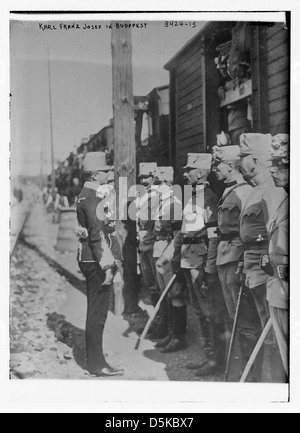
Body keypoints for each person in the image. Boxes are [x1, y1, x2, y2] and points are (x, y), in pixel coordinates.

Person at [172, 153, 228, 377]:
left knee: (208, 310)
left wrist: (208, 267)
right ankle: (208, 354)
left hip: (201, 256)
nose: (185, 174)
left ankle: (216, 359)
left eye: (189, 170)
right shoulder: (193, 196)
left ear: (202, 173)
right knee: (198, 308)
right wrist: (178, 256)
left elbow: (214, 236)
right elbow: (185, 230)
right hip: (189, 255)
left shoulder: (210, 198)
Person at [239, 133, 287, 382]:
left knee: (272, 333)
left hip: (268, 271)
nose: (239, 163)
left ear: (255, 160)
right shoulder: (256, 189)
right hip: (255, 267)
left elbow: (276, 237)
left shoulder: (273, 190)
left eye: (243, 157)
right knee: (262, 328)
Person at [212, 144, 260, 380]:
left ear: (230, 166)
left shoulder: (244, 192)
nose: (214, 170)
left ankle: (252, 374)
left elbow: (249, 230)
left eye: (217, 165)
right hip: (225, 256)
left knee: (245, 318)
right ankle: (243, 369)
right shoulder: (228, 190)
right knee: (234, 317)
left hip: (236, 257)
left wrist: (243, 260)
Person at [76, 152, 124, 378]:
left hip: (88, 256)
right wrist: (107, 266)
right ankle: (96, 364)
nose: (109, 173)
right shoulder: (94, 197)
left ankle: (96, 360)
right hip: (97, 259)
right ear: (95, 175)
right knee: (97, 313)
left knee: (95, 311)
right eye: (105, 171)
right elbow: (97, 235)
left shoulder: (85, 194)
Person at [262, 134, 289, 377]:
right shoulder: (284, 200)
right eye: (273, 164)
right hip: (278, 288)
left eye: (281, 165)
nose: (273, 170)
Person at [153, 167, 187, 351]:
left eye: (160, 183)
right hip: (159, 249)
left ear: (169, 184)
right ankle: (171, 333)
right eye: (156, 183)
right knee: (166, 294)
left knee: (175, 294)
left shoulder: (175, 204)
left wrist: (169, 256)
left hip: (169, 252)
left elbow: (177, 235)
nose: (156, 187)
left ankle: (179, 336)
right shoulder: (163, 203)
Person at [136, 162, 161, 336]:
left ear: (154, 177)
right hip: (142, 243)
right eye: (142, 177)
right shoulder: (141, 196)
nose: (144, 180)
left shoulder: (158, 195)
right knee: (151, 285)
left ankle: (162, 323)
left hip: (152, 243)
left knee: (158, 285)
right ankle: (157, 320)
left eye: (147, 177)